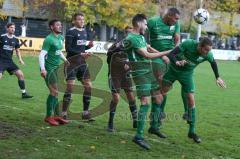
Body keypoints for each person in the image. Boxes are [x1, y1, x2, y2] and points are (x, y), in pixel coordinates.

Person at [160, 37, 226, 143]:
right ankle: (160, 113)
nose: (208, 52)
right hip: (173, 70)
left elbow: (213, 62)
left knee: (191, 99)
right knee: (162, 92)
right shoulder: (189, 44)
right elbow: (171, 54)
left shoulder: (207, 54)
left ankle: (192, 131)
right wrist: (177, 62)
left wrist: (217, 77)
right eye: (206, 50)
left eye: (209, 50)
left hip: (187, 74)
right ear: (200, 46)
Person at [124, 14, 171, 150]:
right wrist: (167, 52)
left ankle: (154, 127)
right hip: (140, 73)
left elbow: (149, 48)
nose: (146, 26)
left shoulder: (140, 37)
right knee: (145, 102)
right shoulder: (132, 38)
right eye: (145, 24)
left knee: (159, 98)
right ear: (138, 24)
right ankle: (138, 136)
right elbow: (147, 54)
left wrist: (164, 56)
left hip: (148, 70)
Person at [147, 8, 187, 121]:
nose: (177, 21)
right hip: (156, 57)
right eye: (176, 18)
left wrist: (175, 54)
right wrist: (161, 55)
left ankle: (159, 112)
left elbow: (177, 40)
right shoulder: (152, 22)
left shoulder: (176, 24)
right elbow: (144, 41)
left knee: (165, 86)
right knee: (160, 83)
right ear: (169, 15)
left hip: (170, 57)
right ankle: (156, 113)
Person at [61, 13, 94, 121]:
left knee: (88, 86)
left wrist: (87, 47)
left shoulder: (84, 31)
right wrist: (81, 54)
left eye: (83, 20)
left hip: (82, 63)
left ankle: (85, 112)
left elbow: (80, 48)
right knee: (70, 87)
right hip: (71, 63)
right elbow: (68, 48)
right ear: (74, 21)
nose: (82, 21)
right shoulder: (71, 32)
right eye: (79, 19)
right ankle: (64, 113)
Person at [106, 26, 138, 132]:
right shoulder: (117, 44)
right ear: (125, 34)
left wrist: (129, 65)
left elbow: (136, 59)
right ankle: (110, 123)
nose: (129, 34)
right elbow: (108, 56)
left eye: (131, 32)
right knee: (116, 98)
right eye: (127, 32)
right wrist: (117, 49)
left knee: (131, 97)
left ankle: (135, 120)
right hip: (114, 75)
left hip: (126, 75)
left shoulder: (134, 46)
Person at [39, 19, 69, 126]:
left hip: (56, 68)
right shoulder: (49, 39)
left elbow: (58, 51)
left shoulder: (61, 38)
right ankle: (48, 117)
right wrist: (43, 69)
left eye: (60, 24)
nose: (60, 26)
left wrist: (65, 60)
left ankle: (56, 115)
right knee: (54, 92)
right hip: (49, 69)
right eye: (57, 25)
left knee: (56, 92)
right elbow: (42, 55)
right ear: (52, 27)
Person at [0, 22, 33, 99]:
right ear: (7, 28)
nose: (13, 29)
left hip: (9, 61)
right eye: (11, 27)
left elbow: (17, 50)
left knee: (20, 74)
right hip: (1, 60)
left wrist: (20, 59)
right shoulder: (2, 37)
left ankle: (24, 93)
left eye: (14, 28)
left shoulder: (15, 39)